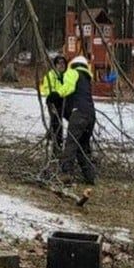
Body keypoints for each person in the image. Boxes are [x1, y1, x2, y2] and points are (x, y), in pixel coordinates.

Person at [59, 53, 97, 183]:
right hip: (91, 115)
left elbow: (67, 89)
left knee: (71, 143)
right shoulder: (86, 79)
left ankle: (66, 173)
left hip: (79, 113)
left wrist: (56, 92)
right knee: (84, 146)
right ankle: (90, 176)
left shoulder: (73, 73)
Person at [39, 53, 68, 151]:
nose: (61, 65)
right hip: (54, 102)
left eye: (63, 63)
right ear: (55, 65)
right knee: (56, 122)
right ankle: (56, 144)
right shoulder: (51, 75)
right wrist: (53, 95)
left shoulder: (67, 76)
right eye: (59, 63)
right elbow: (46, 89)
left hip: (64, 102)